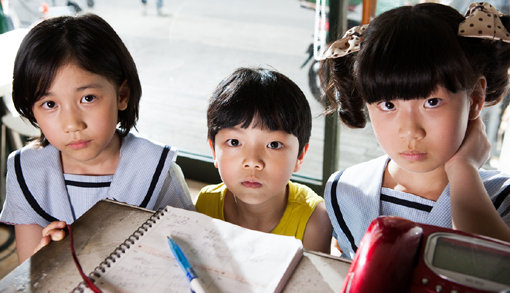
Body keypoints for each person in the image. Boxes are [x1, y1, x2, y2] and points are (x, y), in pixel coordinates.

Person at [319, 2, 510, 259]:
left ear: (475, 99)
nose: (410, 131)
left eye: (431, 102)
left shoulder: (501, 199)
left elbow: (493, 272)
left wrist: (463, 170)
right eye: (388, 105)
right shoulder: (345, 190)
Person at [0, 14, 194, 263]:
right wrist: (43, 260)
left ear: (122, 94)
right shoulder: (28, 172)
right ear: (31, 109)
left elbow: (191, 257)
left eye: (88, 98)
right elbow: (28, 273)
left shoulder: (156, 170)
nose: (72, 124)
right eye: (50, 104)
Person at [195, 67, 332, 253]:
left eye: (274, 145)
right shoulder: (206, 203)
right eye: (234, 142)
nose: (253, 161)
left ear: (300, 156)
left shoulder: (314, 221)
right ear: (213, 151)